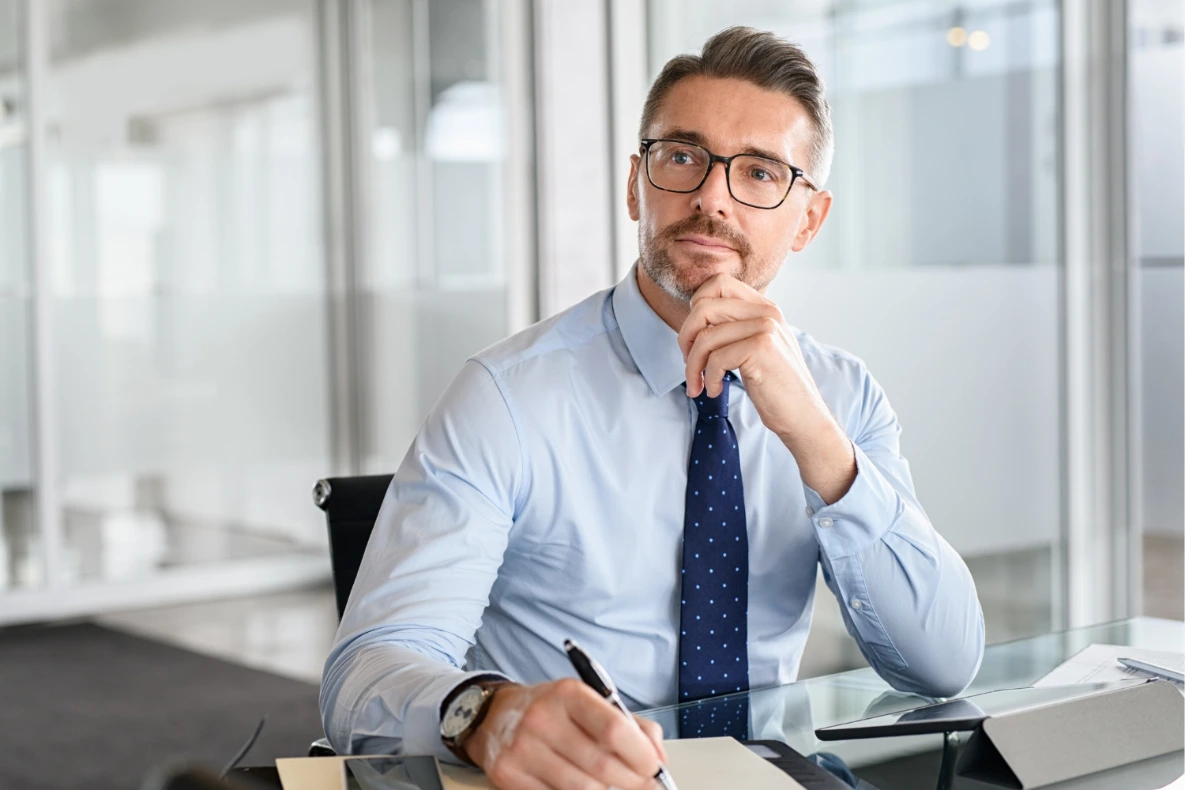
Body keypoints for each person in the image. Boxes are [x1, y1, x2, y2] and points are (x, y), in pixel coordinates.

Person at [321, 26, 985, 790]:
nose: (710, 197)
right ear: (635, 183)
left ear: (807, 219)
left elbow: (942, 663)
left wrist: (812, 436)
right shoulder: (505, 396)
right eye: (682, 157)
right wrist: (487, 713)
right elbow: (364, 672)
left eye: (761, 173)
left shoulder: (840, 395)